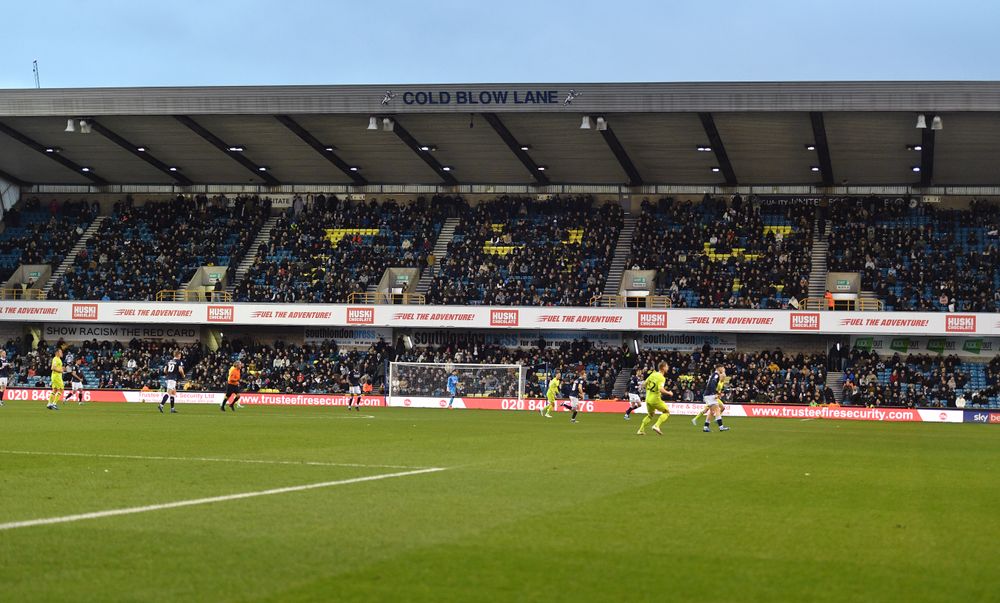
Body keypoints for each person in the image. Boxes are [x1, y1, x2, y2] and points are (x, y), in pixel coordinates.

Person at [637, 360, 672, 436]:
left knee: (650, 415)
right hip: (655, 399)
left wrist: (648, 390)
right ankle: (656, 426)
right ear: (663, 368)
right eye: (667, 366)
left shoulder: (653, 374)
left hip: (648, 399)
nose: (668, 367)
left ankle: (641, 430)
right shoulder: (662, 378)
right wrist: (669, 393)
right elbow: (661, 389)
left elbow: (644, 384)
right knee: (667, 412)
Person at [696, 365, 730, 432]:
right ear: (719, 368)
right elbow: (712, 384)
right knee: (717, 410)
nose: (723, 369)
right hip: (710, 395)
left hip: (707, 394)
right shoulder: (716, 374)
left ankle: (706, 427)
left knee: (712, 411)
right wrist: (715, 392)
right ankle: (721, 427)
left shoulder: (714, 374)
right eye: (722, 368)